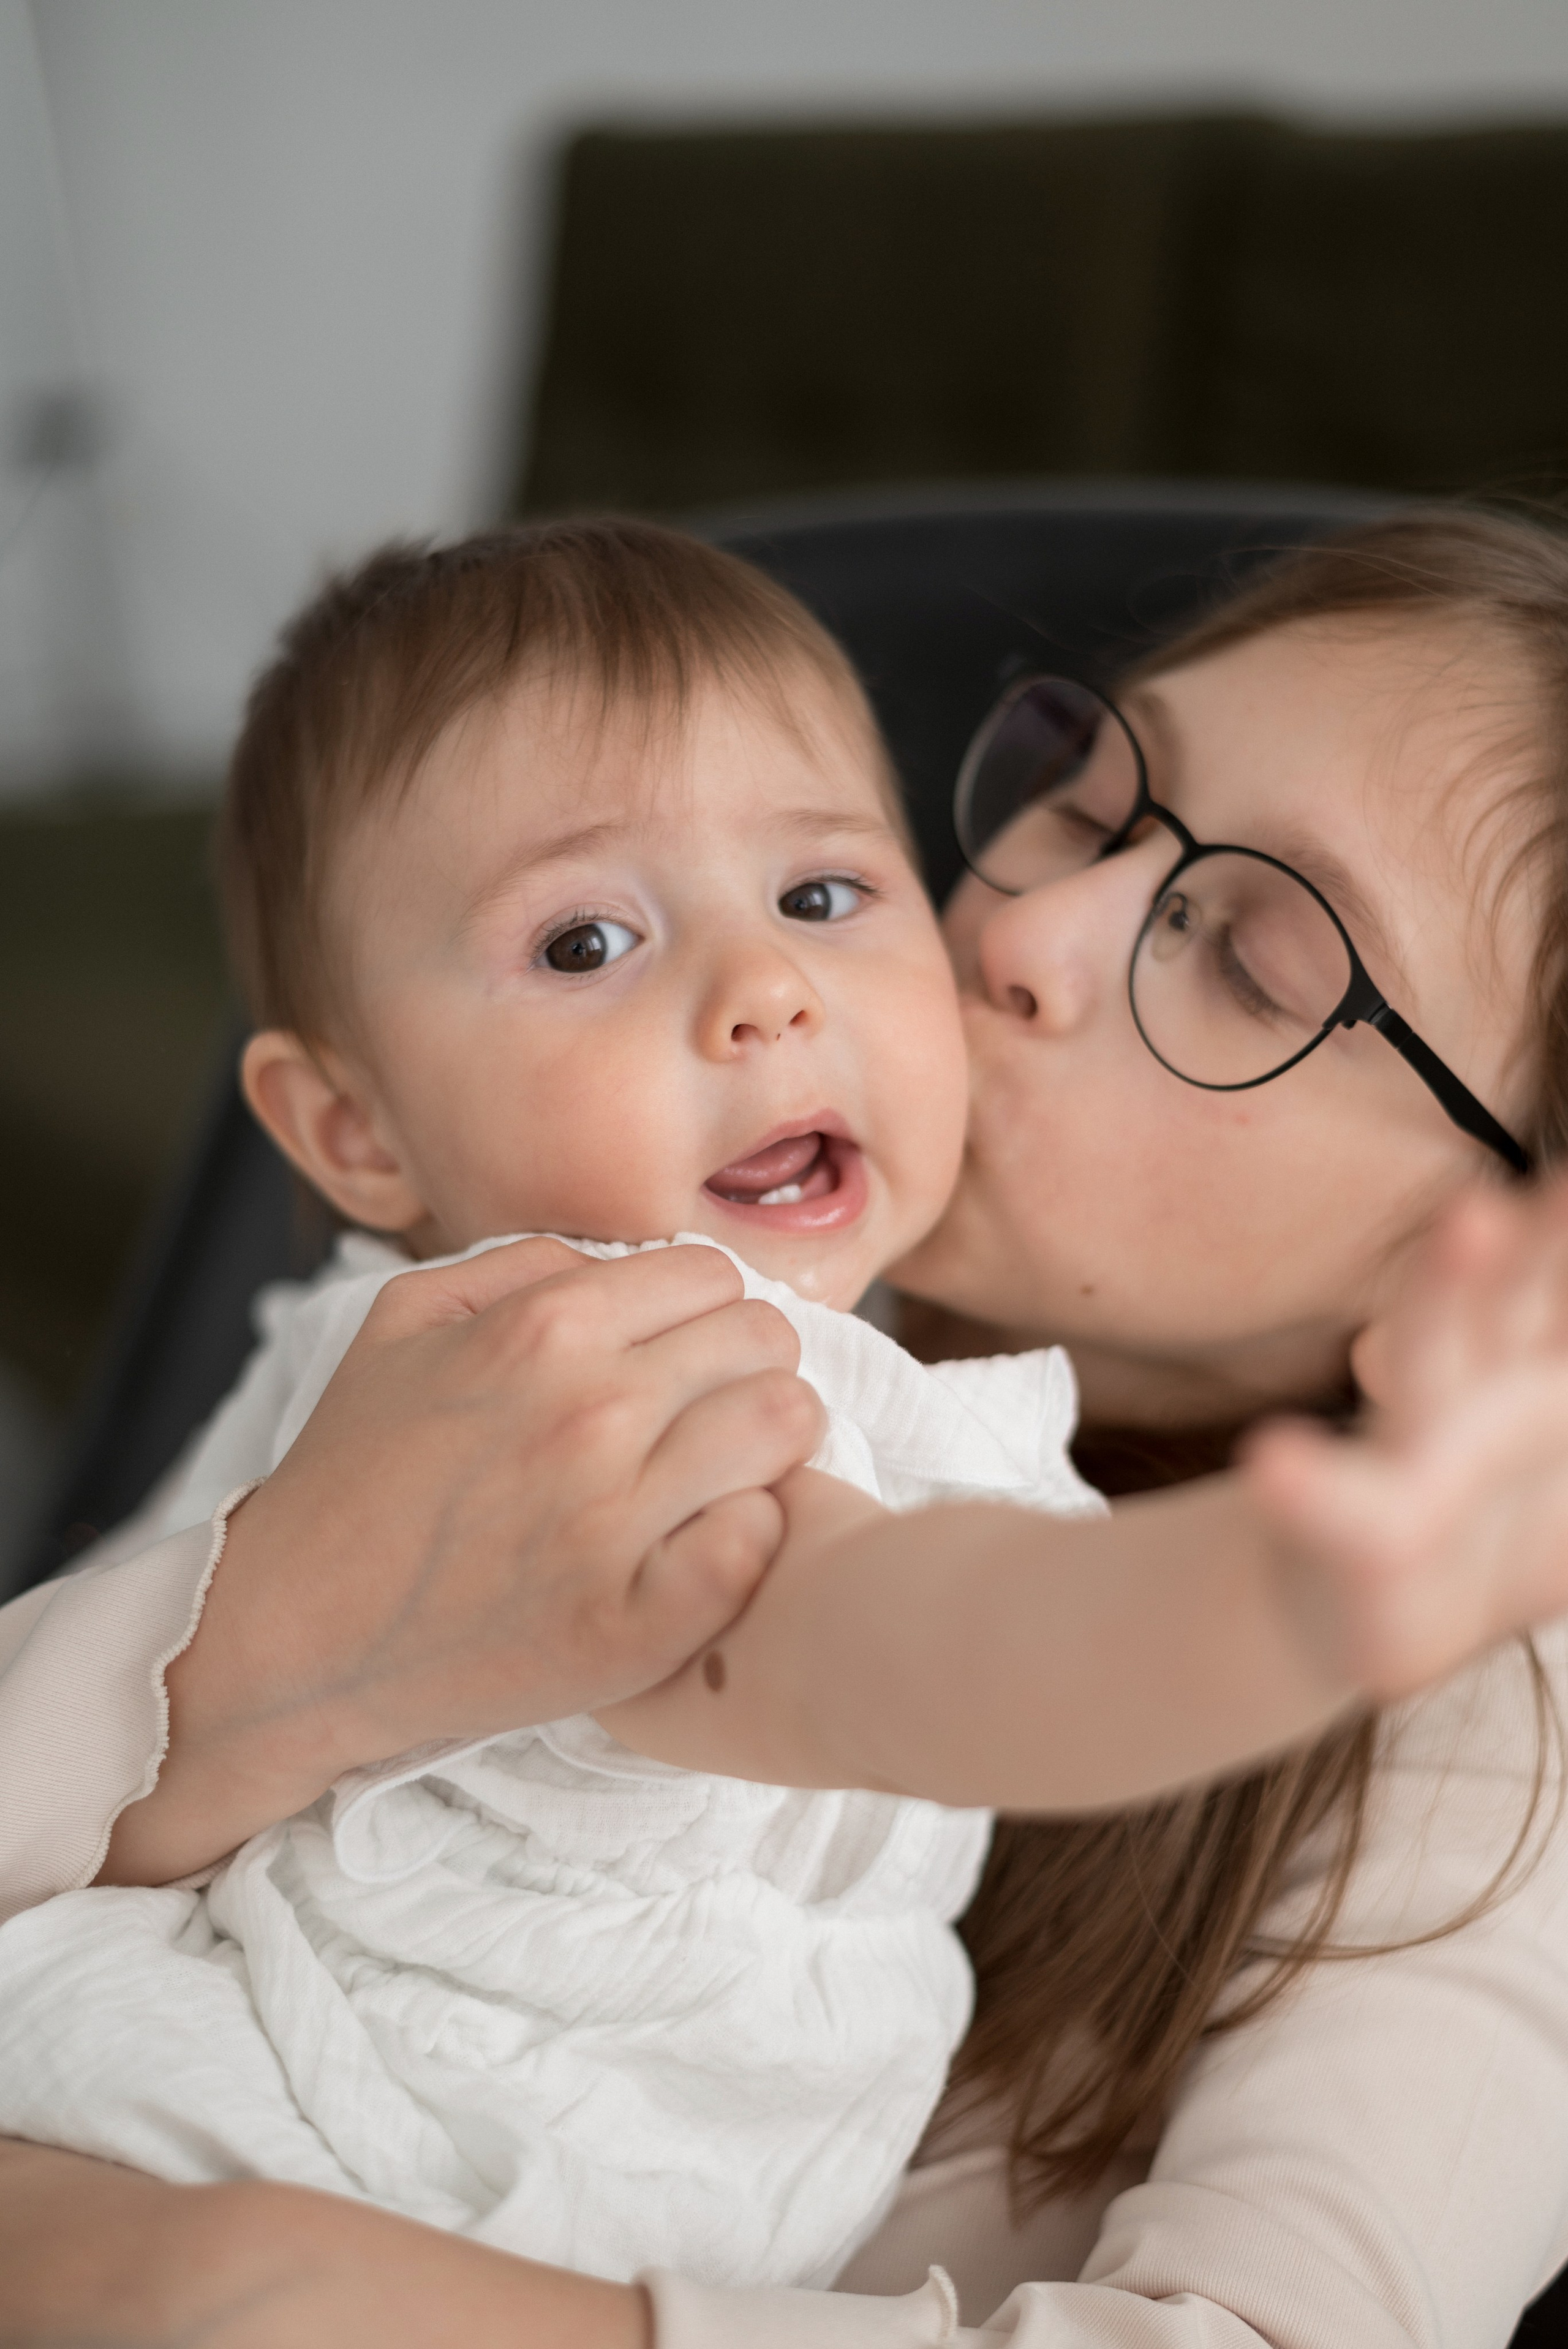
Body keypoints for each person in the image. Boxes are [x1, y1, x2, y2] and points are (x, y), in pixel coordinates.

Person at [4, 504, 1568, 2345]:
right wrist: (269, 1629)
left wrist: (263, 2289)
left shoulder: (1495, 1740)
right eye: (1096, 795)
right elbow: (947, 1632)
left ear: (1503, 1252)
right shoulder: (611, 1318)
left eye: (1250, 960)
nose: (1026, 927)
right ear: (352, 1126)